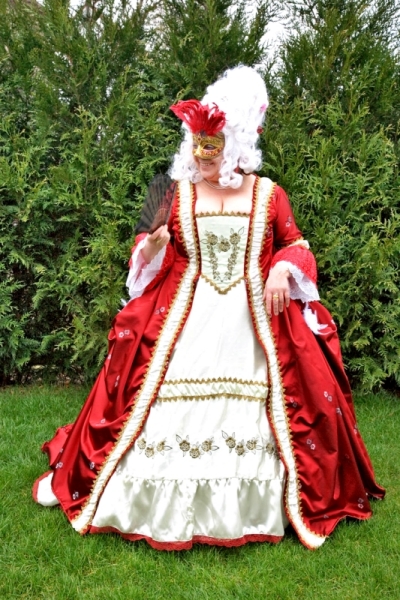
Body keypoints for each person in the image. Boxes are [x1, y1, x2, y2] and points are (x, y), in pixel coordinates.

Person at [33, 66, 384, 550]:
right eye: (197, 144)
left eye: (213, 146)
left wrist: (281, 269)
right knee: (138, 398)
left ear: (236, 145)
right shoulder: (170, 192)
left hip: (254, 323)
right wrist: (152, 245)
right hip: (183, 320)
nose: (202, 155)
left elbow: (297, 245)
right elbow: (144, 250)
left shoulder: (269, 194)